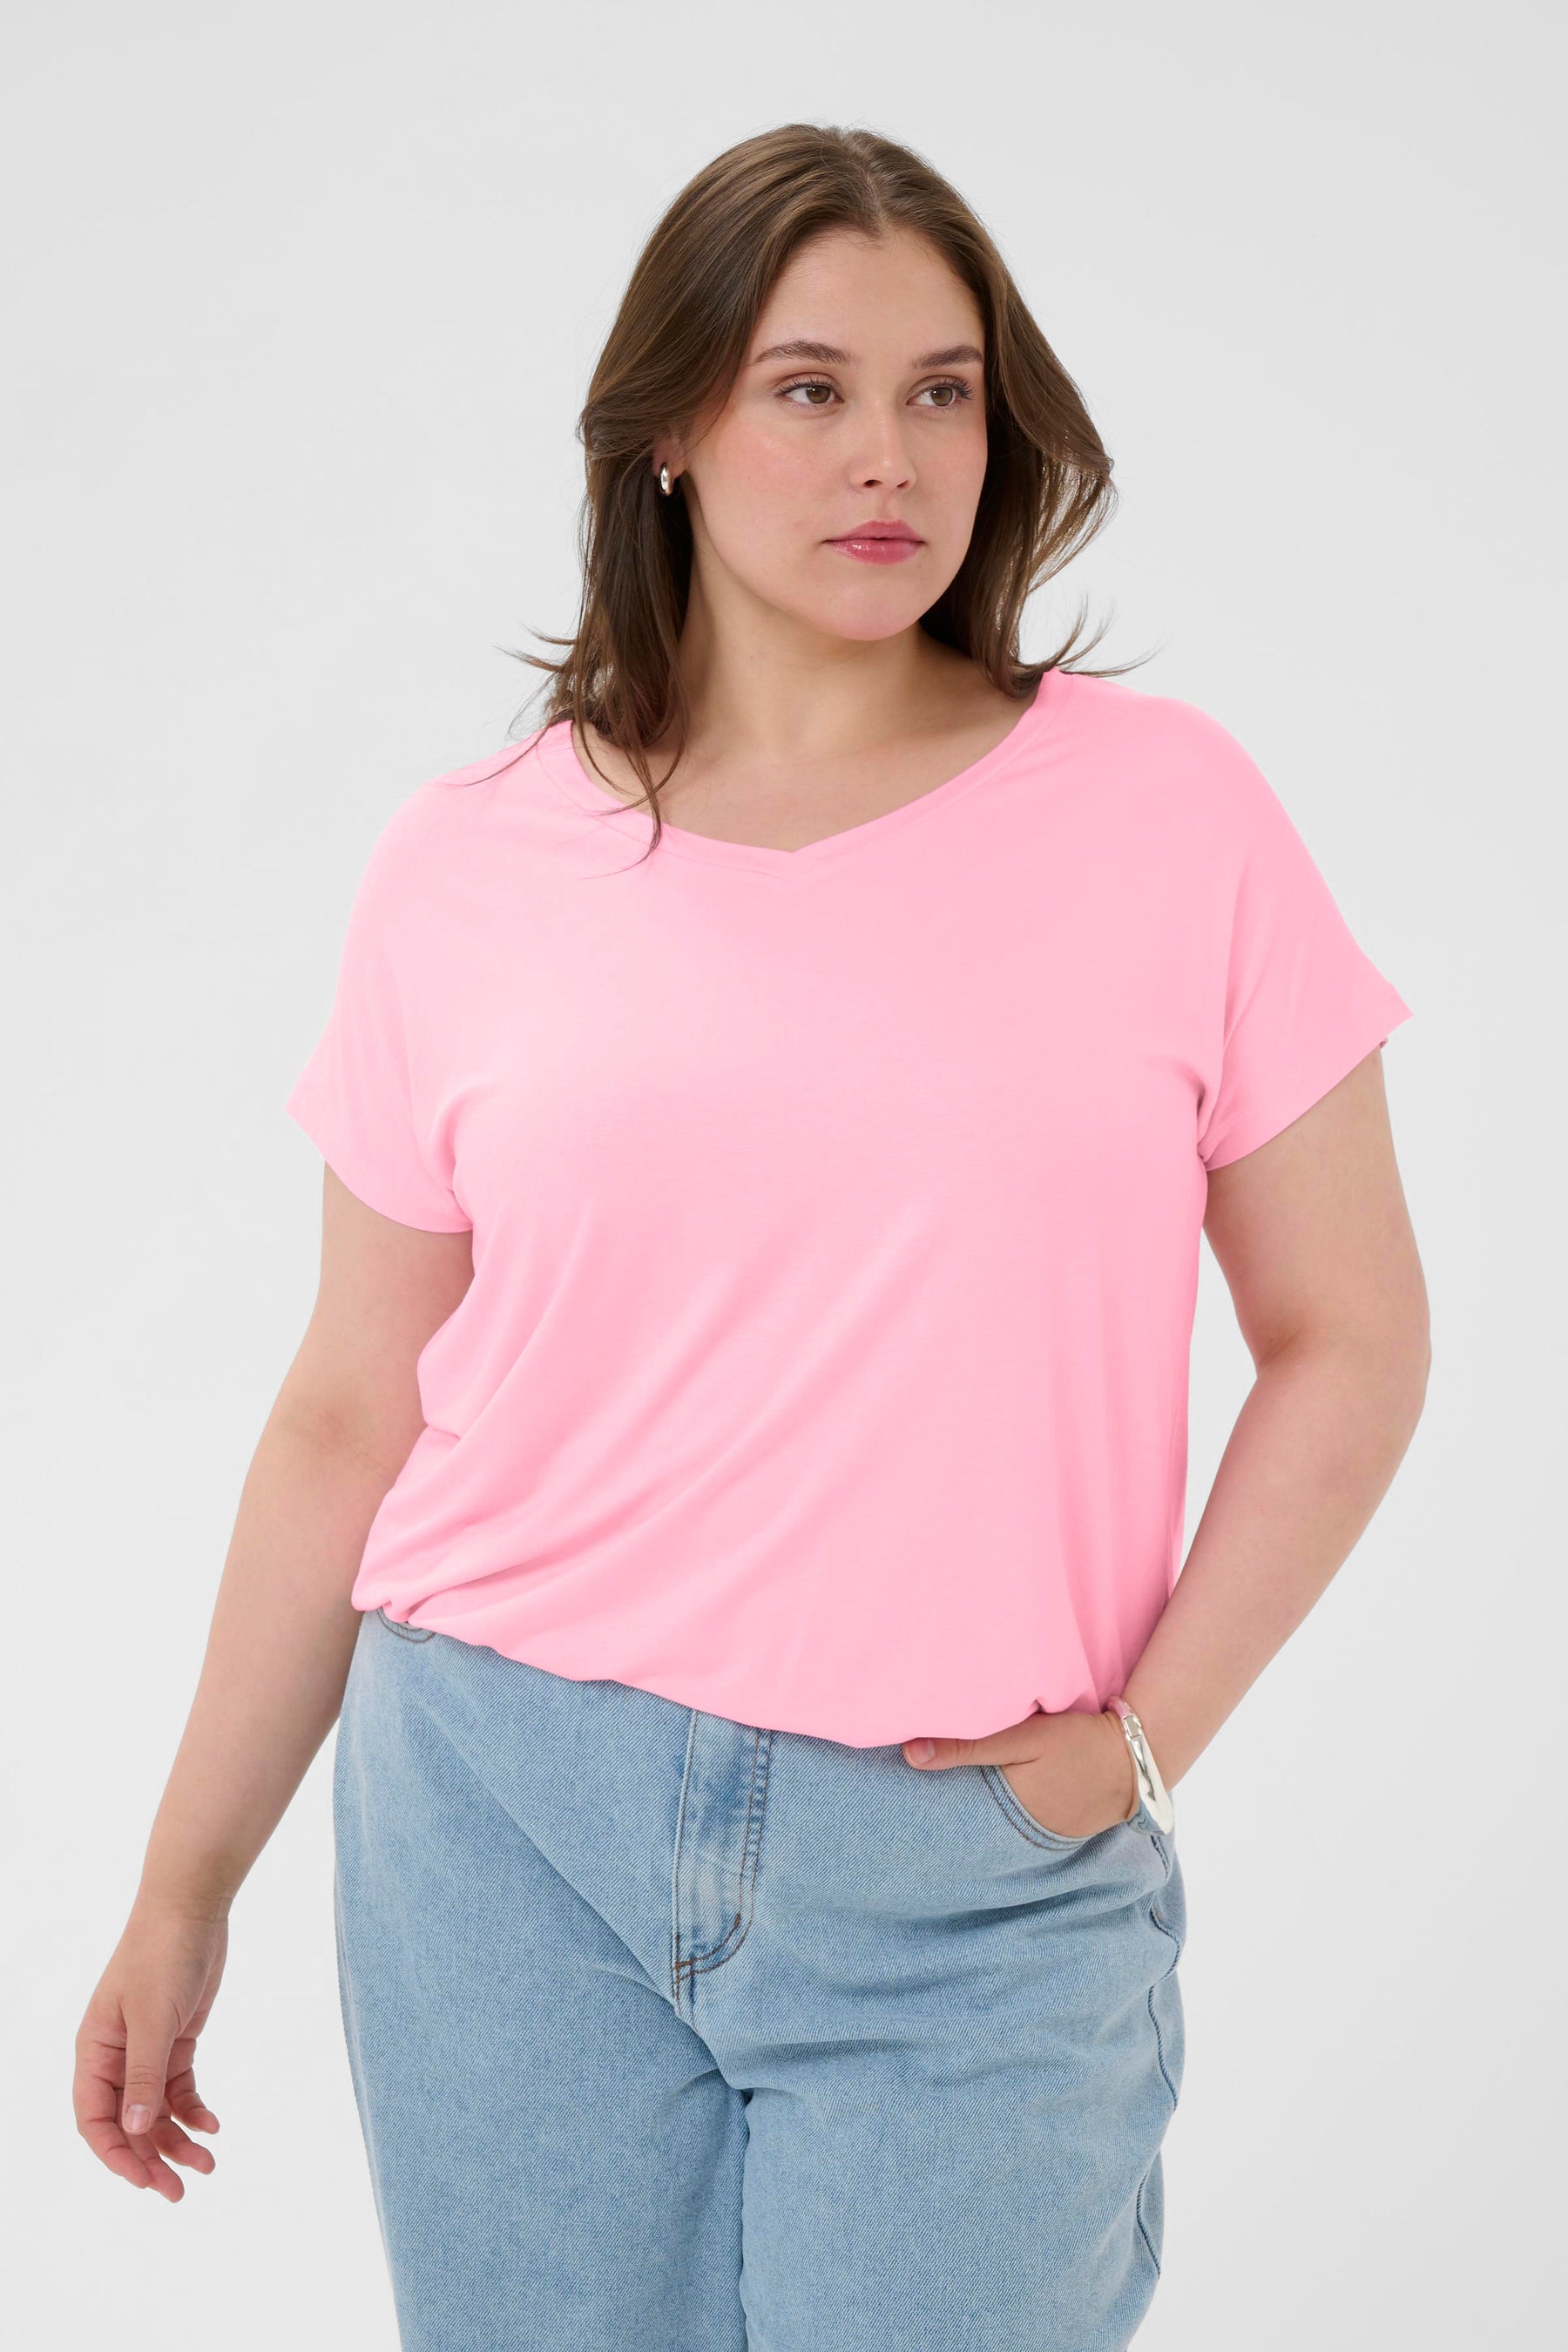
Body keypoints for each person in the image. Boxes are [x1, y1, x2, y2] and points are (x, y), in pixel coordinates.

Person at [73, 121, 1429, 2350]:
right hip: (500, 1827)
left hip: (970, 1865)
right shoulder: (468, 863)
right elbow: (346, 1412)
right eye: (808, 385)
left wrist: (1145, 1744)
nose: (888, 451)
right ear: (675, 432)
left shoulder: (1172, 820)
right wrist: (181, 1876)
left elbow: (1357, 1338)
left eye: (943, 389)